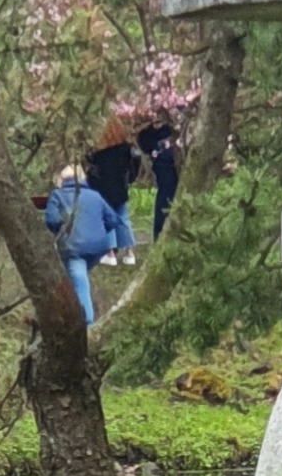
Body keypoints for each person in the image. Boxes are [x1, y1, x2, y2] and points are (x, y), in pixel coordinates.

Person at [43, 170, 122, 324]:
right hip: (97, 248)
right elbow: (113, 220)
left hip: (73, 248)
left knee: (79, 281)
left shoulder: (57, 195)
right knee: (78, 278)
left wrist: (61, 230)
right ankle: (74, 316)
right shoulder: (95, 196)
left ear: (60, 180)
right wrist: (97, 231)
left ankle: (86, 323)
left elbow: (51, 220)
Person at [82, 117, 141, 261]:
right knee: (123, 218)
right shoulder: (126, 149)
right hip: (120, 188)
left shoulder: (99, 154)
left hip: (103, 190)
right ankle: (129, 253)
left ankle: (110, 253)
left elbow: (93, 173)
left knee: (105, 220)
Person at [135, 112, 180, 236]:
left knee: (170, 196)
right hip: (162, 167)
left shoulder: (170, 130)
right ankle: (159, 231)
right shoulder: (146, 135)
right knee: (165, 196)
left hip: (173, 166)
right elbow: (146, 146)